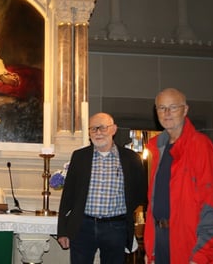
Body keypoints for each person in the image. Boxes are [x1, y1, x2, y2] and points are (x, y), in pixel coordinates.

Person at [144, 88, 213, 264]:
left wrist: (202, 256)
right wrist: (151, 247)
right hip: (162, 242)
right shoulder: (158, 149)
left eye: (173, 107)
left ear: (185, 110)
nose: (167, 113)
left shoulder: (200, 146)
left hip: (190, 244)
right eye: (161, 108)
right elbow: (154, 205)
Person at [57, 112, 147, 264]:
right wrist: (62, 231)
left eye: (103, 128)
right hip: (83, 227)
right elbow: (68, 197)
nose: (98, 132)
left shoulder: (131, 158)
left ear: (113, 129)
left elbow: (140, 193)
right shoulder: (79, 157)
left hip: (116, 228)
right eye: (93, 129)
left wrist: (124, 212)